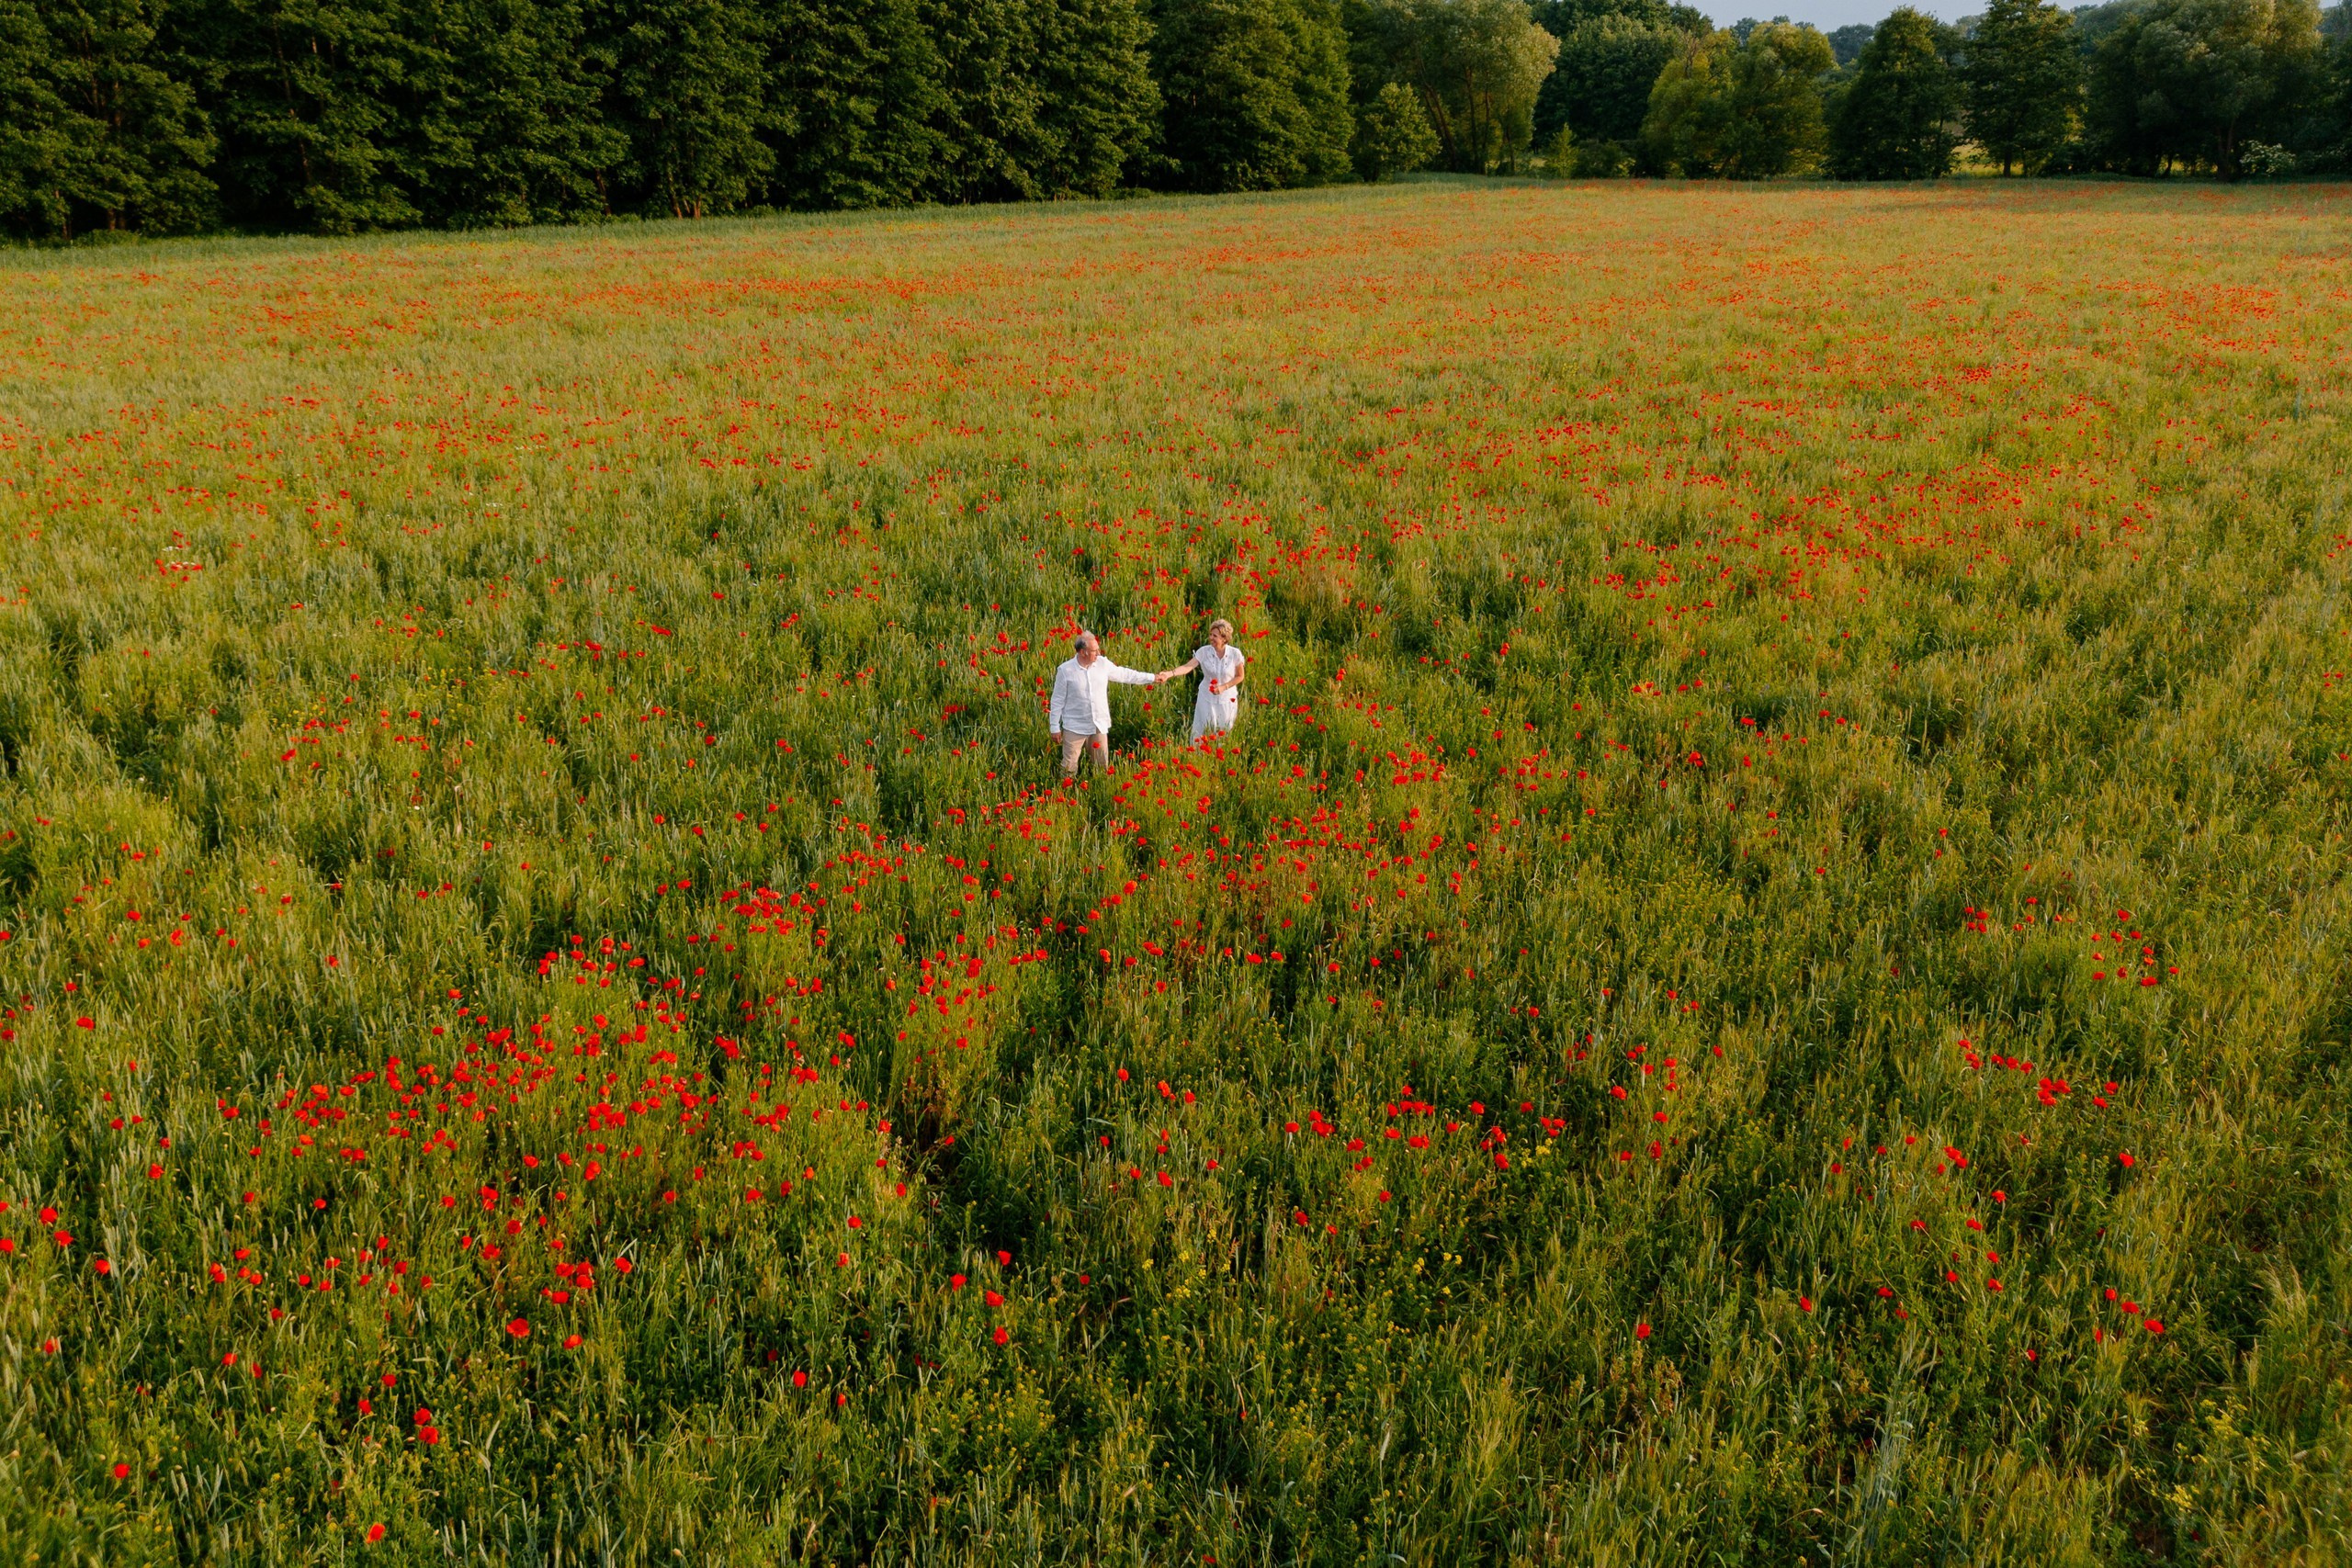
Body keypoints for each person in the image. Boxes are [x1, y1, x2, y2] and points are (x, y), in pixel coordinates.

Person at [1047, 630, 1159, 780]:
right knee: (1069, 767)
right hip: (1074, 727)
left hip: (1098, 725)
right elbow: (1057, 700)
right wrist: (1054, 727)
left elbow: (1125, 674)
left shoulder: (1102, 664)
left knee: (1101, 766)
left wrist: (1152, 678)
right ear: (1083, 652)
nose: (1098, 653)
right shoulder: (1065, 670)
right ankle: (1064, 797)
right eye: (1094, 651)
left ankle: (1100, 792)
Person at [1159, 618, 1246, 742]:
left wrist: (1224, 687)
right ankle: (1198, 757)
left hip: (1227, 699)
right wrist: (1169, 674)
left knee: (1224, 731)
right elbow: (1187, 667)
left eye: (1214, 636)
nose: (1211, 638)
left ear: (1224, 638)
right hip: (1206, 698)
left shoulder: (1235, 654)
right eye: (1210, 634)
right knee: (1203, 730)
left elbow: (1240, 676)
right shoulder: (1204, 652)